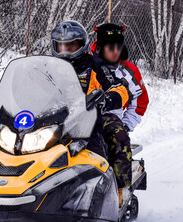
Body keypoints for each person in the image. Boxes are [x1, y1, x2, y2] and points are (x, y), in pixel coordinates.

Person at [50, 20, 132, 194]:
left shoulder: (95, 65)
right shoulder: (48, 67)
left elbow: (119, 87)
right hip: (53, 116)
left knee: (119, 135)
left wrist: (108, 99)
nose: (66, 50)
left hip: (91, 115)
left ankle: (119, 188)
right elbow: (30, 85)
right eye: (62, 46)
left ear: (81, 45)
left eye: (71, 46)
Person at [90, 23, 149, 201]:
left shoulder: (129, 71)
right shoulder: (87, 63)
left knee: (119, 137)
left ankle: (120, 188)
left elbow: (140, 101)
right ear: (100, 47)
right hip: (79, 114)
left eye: (119, 46)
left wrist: (126, 124)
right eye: (110, 47)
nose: (115, 51)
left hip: (110, 117)